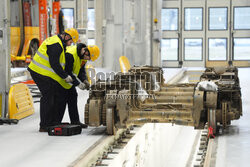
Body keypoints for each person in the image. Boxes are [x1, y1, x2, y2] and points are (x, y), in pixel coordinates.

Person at [28, 28, 79, 132]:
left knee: (54, 94)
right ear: (66, 36)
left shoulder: (59, 43)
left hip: (43, 73)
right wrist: (65, 76)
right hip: (39, 72)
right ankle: (44, 125)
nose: (70, 44)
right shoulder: (56, 45)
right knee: (48, 96)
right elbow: (54, 64)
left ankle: (52, 122)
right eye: (70, 41)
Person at [57, 44, 100, 128]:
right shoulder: (70, 54)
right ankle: (56, 123)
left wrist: (84, 80)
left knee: (73, 97)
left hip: (68, 81)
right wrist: (78, 84)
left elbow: (81, 70)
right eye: (88, 57)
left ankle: (75, 121)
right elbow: (67, 71)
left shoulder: (83, 57)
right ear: (85, 51)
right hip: (60, 79)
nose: (87, 59)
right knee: (61, 101)